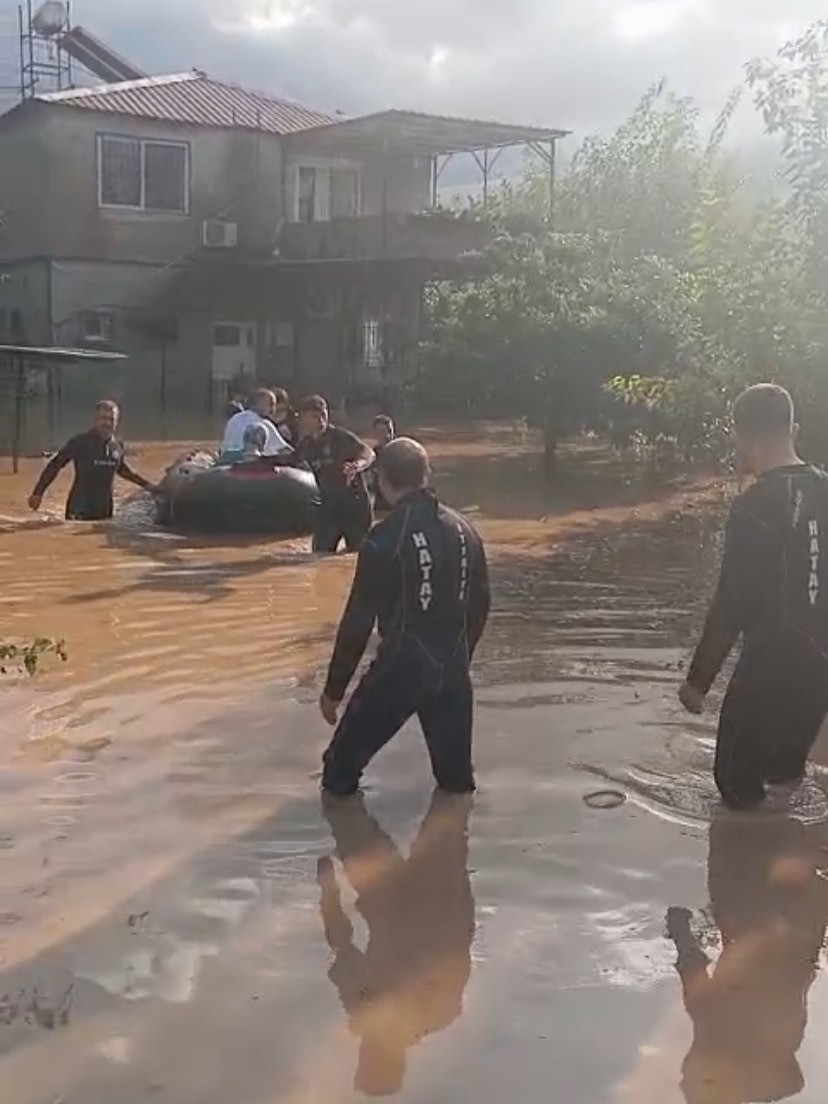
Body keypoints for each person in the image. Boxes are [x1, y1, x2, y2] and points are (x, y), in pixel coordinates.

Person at [679, 384, 828, 810]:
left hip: (768, 667)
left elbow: (732, 602)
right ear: (793, 428)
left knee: (735, 787)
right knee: (784, 780)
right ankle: (788, 850)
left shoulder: (753, 506)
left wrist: (698, 682)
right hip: (819, 670)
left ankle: (750, 865)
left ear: (741, 437)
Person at [318, 437, 490, 796]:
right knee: (456, 785)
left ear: (382, 480)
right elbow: (480, 605)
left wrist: (334, 689)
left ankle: (349, 845)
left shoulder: (386, 537)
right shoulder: (465, 530)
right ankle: (454, 846)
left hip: (401, 671)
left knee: (338, 773)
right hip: (453, 672)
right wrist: (459, 657)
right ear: (425, 475)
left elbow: (358, 621)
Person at [317, 792, 474, 1096]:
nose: (366, 1052)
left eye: (364, 1058)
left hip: (386, 898)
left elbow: (341, 942)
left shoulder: (361, 1006)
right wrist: (460, 883)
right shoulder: (439, 1011)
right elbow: (461, 943)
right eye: (373, 1060)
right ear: (399, 1061)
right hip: (432, 898)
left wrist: (328, 891)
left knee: (340, 796)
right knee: (450, 803)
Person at [666, 812, 828, 1104]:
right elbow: (691, 965)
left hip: (793, 934)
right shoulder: (718, 1028)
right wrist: (678, 928)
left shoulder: (717, 1030)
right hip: (778, 929)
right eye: (691, 1077)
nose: (685, 1067)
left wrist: (681, 932)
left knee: (793, 841)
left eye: (684, 1077)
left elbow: (691, 964)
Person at [27, 400, 158, 521]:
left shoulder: (117, 445)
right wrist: (38, 493)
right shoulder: (80, 442)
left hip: (104, 510)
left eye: (111, 419)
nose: (107, 423)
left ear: (116, 422)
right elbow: (55, 465)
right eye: (103, 418)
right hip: (79, 508)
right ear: (95, 420)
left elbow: (123, 470)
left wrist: (148, 486)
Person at [296, 395, 375, 554]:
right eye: (311, 416)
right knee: (319, 556)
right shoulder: (306, 445)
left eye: (322, 414)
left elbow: (369, 453)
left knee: (357, 556)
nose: (320, 419)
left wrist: (357, 465)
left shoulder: (340, 437)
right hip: (329, 509)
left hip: (355, 508)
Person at [220, 388, 293, 461]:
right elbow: (284, 449)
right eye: (271, 404)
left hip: (227, 461)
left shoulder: (235, 418)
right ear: (260, 403)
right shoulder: (263, 423)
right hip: (250, 464)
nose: (274, 408)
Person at [367, 414, 395, 515]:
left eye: (390, 431)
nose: (387, 436)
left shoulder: (401, 452)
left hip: (398, 504)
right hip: (380, 506)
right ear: (375, 434)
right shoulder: (371, 456)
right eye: (382, 432)